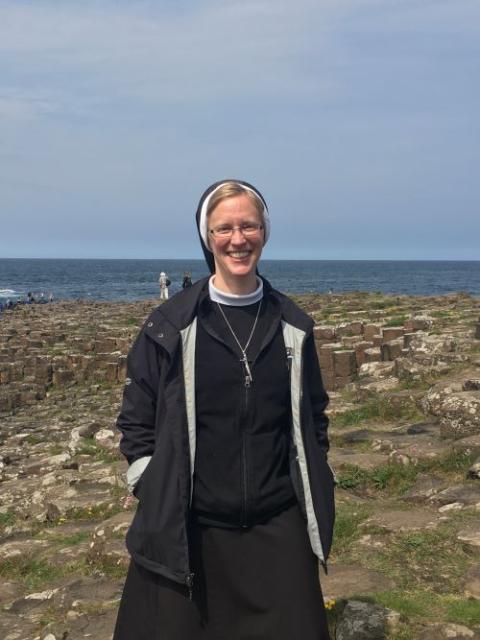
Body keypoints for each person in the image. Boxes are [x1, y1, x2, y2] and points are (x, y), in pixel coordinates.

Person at [114, 180, 335, 640]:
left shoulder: (293, 326)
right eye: (224, 229)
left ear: (264, 232)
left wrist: (315, 474)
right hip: (191, 530)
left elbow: (313, 415)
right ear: (207, 237)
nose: (238, 239)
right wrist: (151, 484)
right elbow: (137, 420)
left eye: (248, 225)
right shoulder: (170, 326)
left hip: (277, 526)